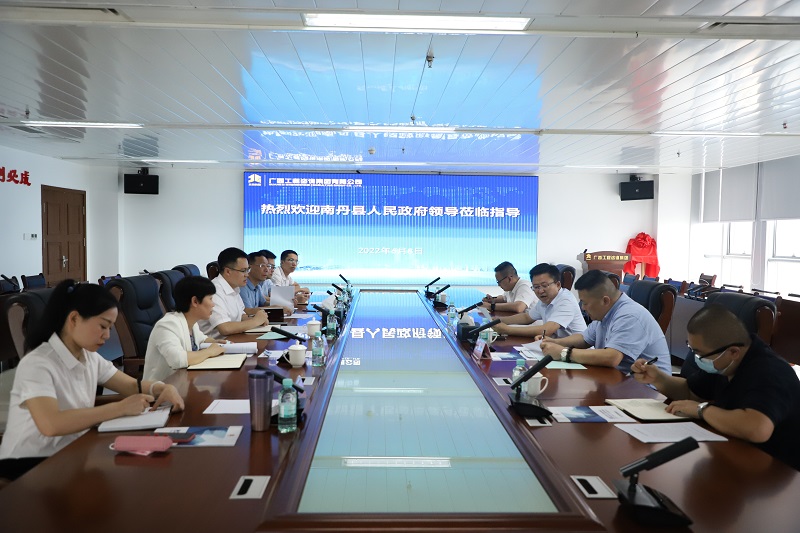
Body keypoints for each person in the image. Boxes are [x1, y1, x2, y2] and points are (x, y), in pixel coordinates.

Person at [0, 280, 185, 481]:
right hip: (28, 462)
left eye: (110, 328)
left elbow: (132, 386)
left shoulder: (89, 357)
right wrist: (119, 408)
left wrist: (161, 388)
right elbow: (51, 424)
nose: (107, 335)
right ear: (74, 319)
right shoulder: (38, 363)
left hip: (71, 449)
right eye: (103, 326)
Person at [632, 305, 800, 471]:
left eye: (699, 353)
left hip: (775, 469)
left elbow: (757, 429)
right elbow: (691, 392)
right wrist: (658, 378)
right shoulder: (725, 362)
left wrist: (701, 410)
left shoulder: (770, 372)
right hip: (734, 450)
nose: (696, 358)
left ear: (733, 352)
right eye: (692, 350)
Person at [540, 269, 670, 374]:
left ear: (605, 301)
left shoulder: (630, 315)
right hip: (618, 378)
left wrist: (563, 353)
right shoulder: (605, 312)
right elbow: (584, 339)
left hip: (646, 389)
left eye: (585, 303)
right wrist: (555, 342)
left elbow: (612, 357)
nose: (582, 308)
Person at [143, 276, 226, 382]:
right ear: (195, 301)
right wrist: (209, 352)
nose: (213, 304)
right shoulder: (167, 325)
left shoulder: (191, 322)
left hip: (183, 383)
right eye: (210, 299)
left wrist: (215, 342)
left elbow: (202, 339)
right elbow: (177, 359)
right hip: (161, 389)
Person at [493, 263, 586, 339]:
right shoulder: (545, 300)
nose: (540, 291)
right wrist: (498, 321)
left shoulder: (565, 300)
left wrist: (507, 330)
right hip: (557, 345)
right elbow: (527, 317)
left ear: (558, 285)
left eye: (544, 286)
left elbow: (547, 330)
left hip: (578, 351)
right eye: (536, 287)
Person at [198, 247, 269, 339]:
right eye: (243, 271)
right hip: (216, 343)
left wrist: (258, 321)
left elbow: (241, 316)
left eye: (248, 270)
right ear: (228, 271)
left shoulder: (234, 288)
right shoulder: (214, 291)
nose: (247, 275)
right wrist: (255, 321)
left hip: (233, 340)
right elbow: (225, 328)